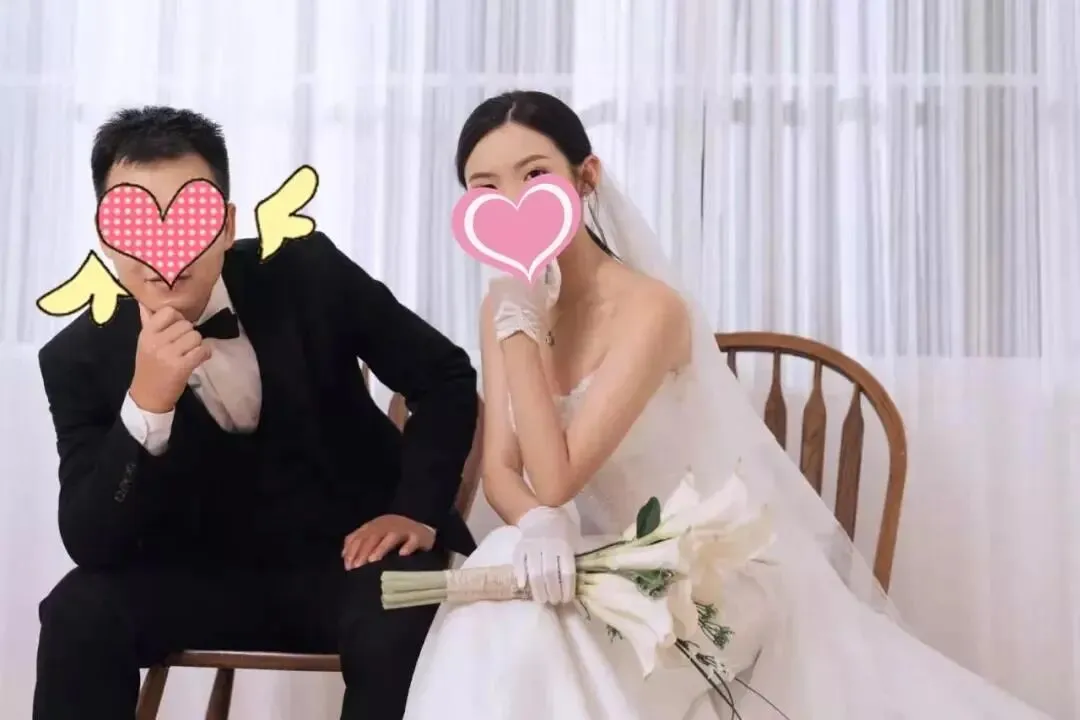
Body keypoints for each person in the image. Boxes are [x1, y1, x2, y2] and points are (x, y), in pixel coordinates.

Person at [401, 90, 1052, 719]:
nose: (514, 200)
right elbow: (503, 471)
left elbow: (555, 478)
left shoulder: (650, 310)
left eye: (535, 174)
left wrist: (521, 331)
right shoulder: (502, 306)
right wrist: (544, 527)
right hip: (596, 558)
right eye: (486, 187)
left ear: (586, 176)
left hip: (704, 570)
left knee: (537, 646)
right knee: (499, 590)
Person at [33, 106, 479, 720]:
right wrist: (145, 406)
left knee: (399, 613)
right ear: (109, 237)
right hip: (200, 576)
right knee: (76, 613)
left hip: (350, 559)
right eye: (138, 223)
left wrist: (417, 509)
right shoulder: (77, 356)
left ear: (225, 225)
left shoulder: (306, 270)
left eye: (190, 217)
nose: (167, 249)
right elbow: (90, 540)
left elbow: (445, 376)